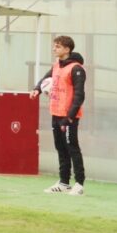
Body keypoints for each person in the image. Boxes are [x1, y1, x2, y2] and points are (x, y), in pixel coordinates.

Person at [31, 35, 86, 195]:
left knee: (72, 148)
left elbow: (79, 95)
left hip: (68, 116)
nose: (54, 49)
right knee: (60, 148)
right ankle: (63, 182)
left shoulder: (76, 69)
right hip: (55, 113)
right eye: (54, 46)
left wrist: (70, 116)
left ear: (67, 49)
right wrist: (37, 88)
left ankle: (79, 184)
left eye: (58, 46)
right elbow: (45, 78)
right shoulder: (57, 65)